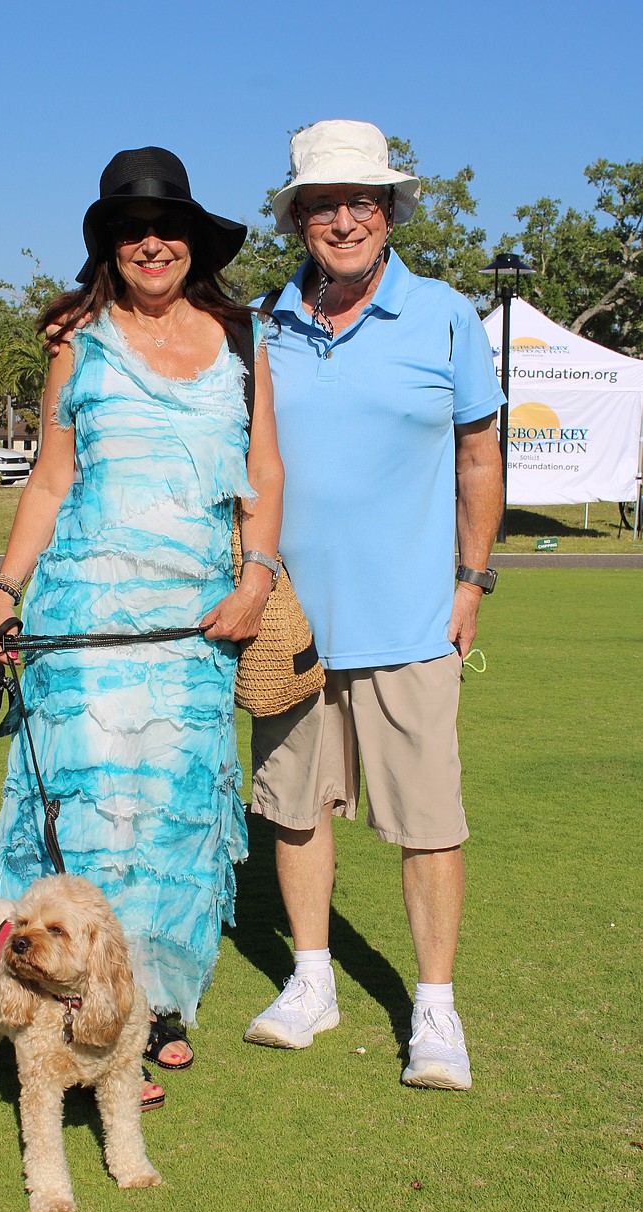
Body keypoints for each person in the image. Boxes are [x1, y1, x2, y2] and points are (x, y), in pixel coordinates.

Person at [0, 147, 283, 1108]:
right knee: (94, 815)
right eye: (130, 229)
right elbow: (52, 480)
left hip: (195, 629)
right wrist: (4, 589)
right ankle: (66, 1031)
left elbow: (264, 478)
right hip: (86, 622)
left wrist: (255, 580)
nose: (152, 243)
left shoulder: (242, 338)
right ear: (111, 245)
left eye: (168, 227)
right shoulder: (78, 339)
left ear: (194, 241)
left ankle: (147, 1009)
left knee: (173, 823)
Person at [242, 121, 505, 1090]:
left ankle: (433, 1008)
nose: (343, 220)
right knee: (294, 811)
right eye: (323, 204)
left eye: (362, 201)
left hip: (408, 620)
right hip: (289, 624)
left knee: (428, 822)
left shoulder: (442, 315)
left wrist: (471, 579)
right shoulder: (262, 323)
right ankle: (311, 981)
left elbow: (479, 455)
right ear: (299, 218)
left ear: (389, 212)